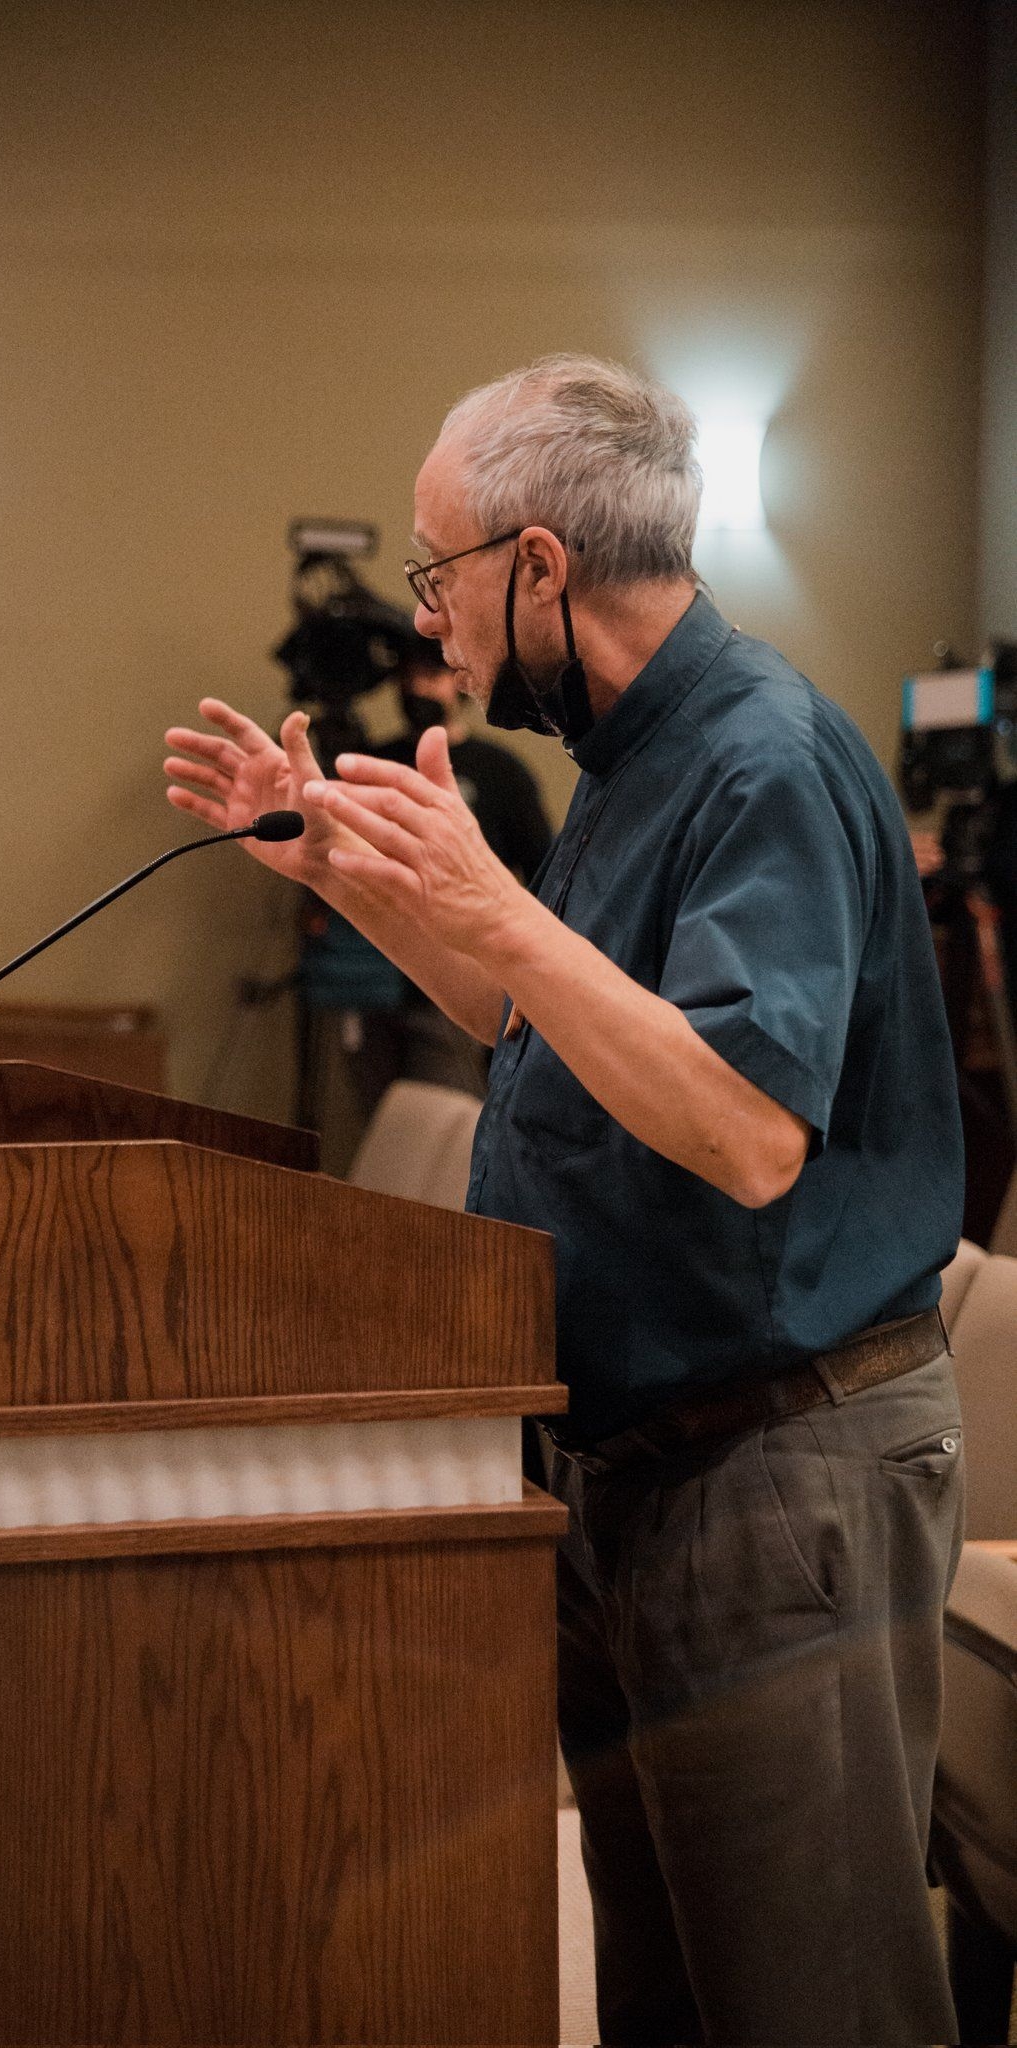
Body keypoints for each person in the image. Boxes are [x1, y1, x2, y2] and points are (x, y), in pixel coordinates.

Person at [163, 353, 965, 2046]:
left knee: (811, 2003)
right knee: (672, 1999)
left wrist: (501, 907)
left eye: (438, 570)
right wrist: (350, 876)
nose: (426, 618)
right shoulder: (635, 750)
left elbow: (748, 1127)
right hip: (641, 1469)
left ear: (541, 566)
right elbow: (537, 1020)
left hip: (779, 1473)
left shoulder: (759, 759)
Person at [334, 637, 554, 1115]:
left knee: (443, 1116)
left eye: (430, 677)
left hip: (455, 979)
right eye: (407, 678)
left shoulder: (500, 772)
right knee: (378, 1122)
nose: (417, 689)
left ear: (455, 681)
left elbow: (545, 874)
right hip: (370, 974)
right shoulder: (372, 761)